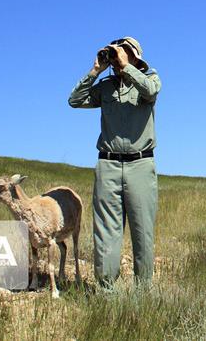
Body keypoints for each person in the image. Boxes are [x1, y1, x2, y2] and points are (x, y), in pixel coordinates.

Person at [68, 37, 161, 288]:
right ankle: (107, 291)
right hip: (108, 164)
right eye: (116, 52)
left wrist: (126, 67)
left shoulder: (149, 78)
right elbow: (75, 100)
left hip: (140, 165)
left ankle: (143, 292)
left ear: (135, 56)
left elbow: (150, 92)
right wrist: (95, 70)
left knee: (142, 232)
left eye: (124, 51)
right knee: (106, 233)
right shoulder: (106, 86)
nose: (118, 56)